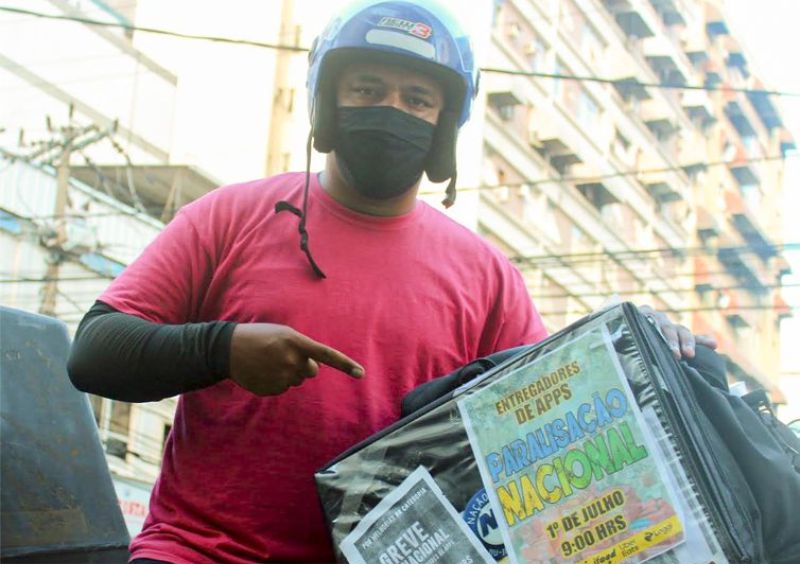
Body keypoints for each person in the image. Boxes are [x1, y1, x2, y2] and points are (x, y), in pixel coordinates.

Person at [67, 1, 714, 562]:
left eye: (416, 99)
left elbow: (540, 424)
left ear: (443, 128)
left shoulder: (487, 277)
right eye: (367, 88)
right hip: (202, 553)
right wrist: (223, 349)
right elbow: (95, 351)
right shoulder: (229, 216)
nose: (390, 110)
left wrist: (641, 353)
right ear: (327, 102)